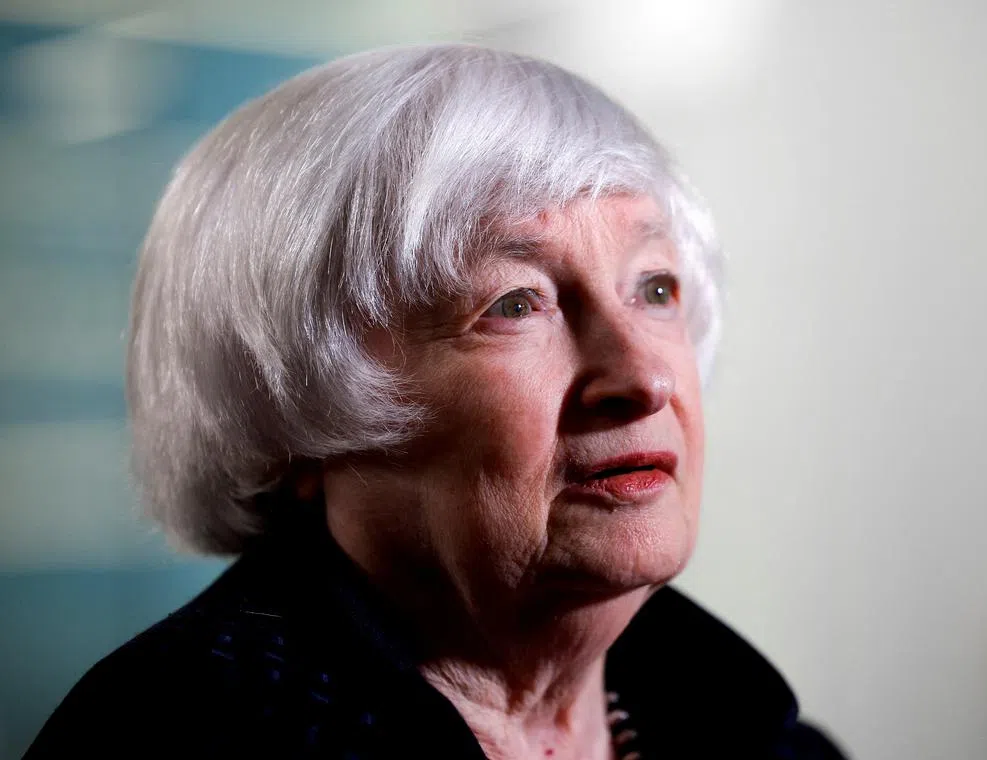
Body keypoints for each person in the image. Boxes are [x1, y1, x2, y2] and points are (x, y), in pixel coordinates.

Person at [26, 44, 846, 759]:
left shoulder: (768, 741)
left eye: (655, 287)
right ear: (297, 403)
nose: (644, 379)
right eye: (516, 303)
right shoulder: (173, 738)